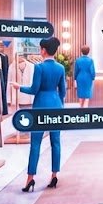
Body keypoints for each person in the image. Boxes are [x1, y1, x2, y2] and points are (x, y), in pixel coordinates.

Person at [11, 37, 65, 192]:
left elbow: (34, 90)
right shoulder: (60, 68)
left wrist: (19, 87)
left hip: (40, 106)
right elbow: (62, 92)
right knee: (56, 142)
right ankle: (54, 175)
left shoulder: (39, 67)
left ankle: (30, 179)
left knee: (35, 144)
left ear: (43, 50)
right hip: (56, 106)